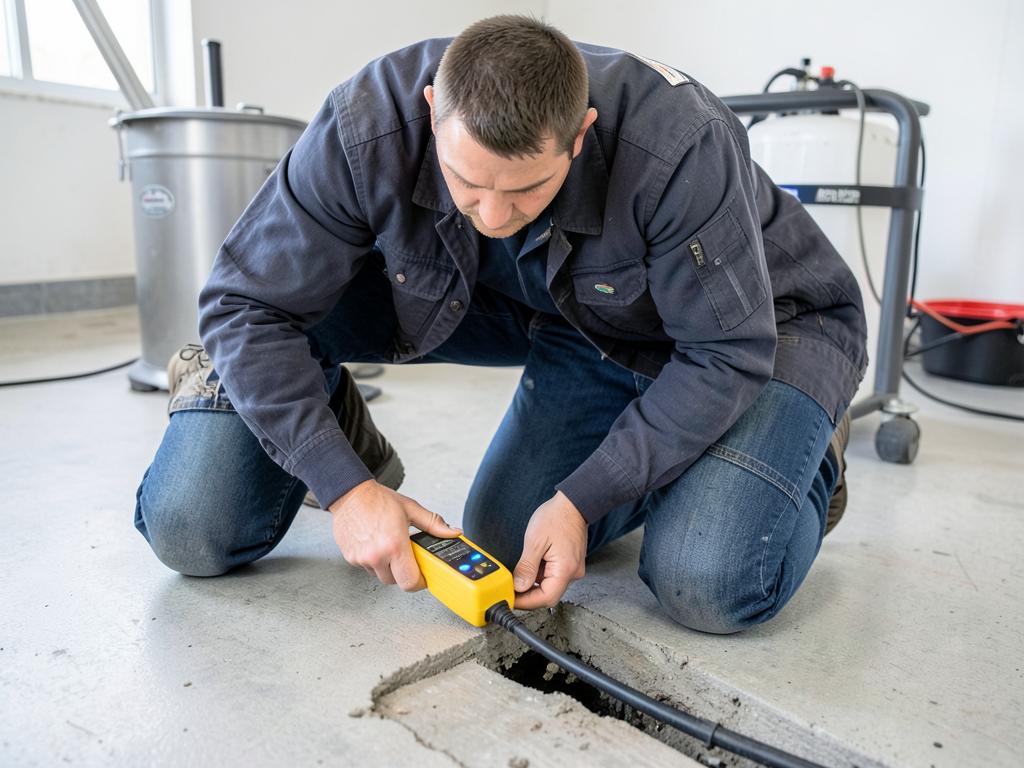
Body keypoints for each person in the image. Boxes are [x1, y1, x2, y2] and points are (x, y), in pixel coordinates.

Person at [135, 15, 866, 635]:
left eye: (525, 189)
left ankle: (802, 449)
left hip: (753, 331)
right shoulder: (368, 124)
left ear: (580, 135)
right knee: (190, 527)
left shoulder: (676, 145)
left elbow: (724, 353)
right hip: (563, 315)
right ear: (430, 111)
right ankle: (322, 417)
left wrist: (583, 498)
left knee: (708, 580)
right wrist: (345, 484)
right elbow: (244, 304)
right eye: (466, 183)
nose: (490, 215)